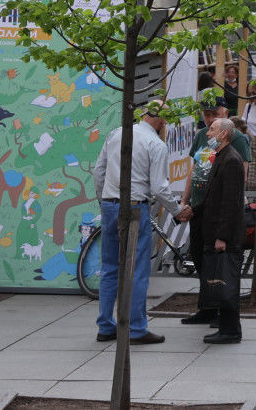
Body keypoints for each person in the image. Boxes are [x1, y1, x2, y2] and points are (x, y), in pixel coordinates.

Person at [92, 99, 180, 345]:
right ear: (162, 121)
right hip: (134, 206)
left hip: (111, 203)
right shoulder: (156, 144)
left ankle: (105, 325)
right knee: (137, 269)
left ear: (143, 114)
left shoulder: (116, 134)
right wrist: (177, 210)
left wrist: (105, 201)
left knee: (110, 267)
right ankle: (137, 328)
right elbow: (160, 188)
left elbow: (99, 172)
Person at [177, 103, 251, 325]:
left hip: (219, 213)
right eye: (206, 115)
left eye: (214, 117)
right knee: (202, 259)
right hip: (201, 209)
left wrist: (223, 231)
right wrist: (185, 201)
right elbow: (195, 170)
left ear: (224, 115)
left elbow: (237, 182)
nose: (208, 121)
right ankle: (207, 307)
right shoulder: (203, 137)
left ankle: (223, 311)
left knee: (220, 264)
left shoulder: (234, 143)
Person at [195, 117, 245, 344]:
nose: (208, 134)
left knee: (226, 281)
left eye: (212, 130)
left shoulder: (231, 160)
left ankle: (230, 330)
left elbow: (230, 202)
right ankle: (227, 327)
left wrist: (222, 237)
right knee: (222, 280)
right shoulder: (221, 156)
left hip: (225, 234)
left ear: (224, 134)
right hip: (214, 229)